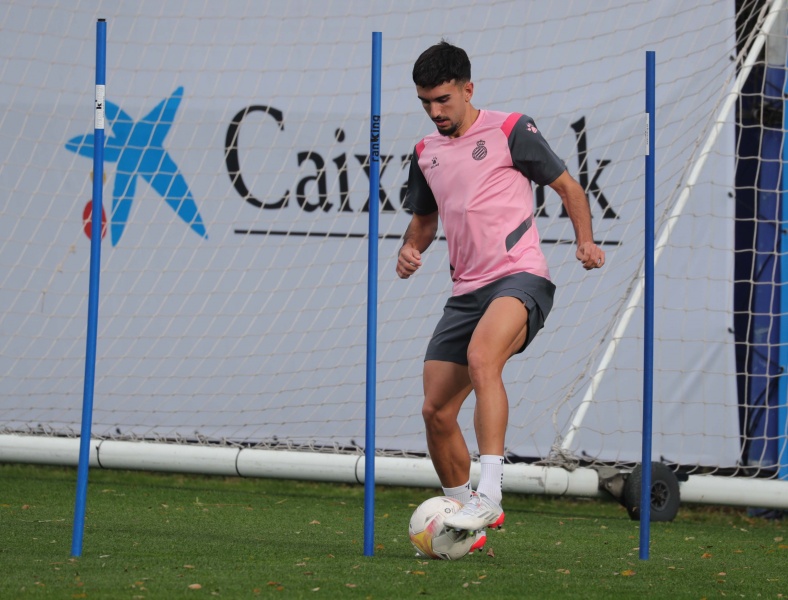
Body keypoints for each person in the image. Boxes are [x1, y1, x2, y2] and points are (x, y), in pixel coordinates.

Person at [396, 41, 605, 553]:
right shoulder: (425, 153)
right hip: (465, 292)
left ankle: (490, 492)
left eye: (443, 99)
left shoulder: (511, 129)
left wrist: (585, 240)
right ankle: (463, 517)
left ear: (468, 89)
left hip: (520, 277)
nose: (435, 111)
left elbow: (569, 188)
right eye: (425, 102)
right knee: (435, 410)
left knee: (482, 357)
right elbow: (424, 220)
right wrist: (409, 248)